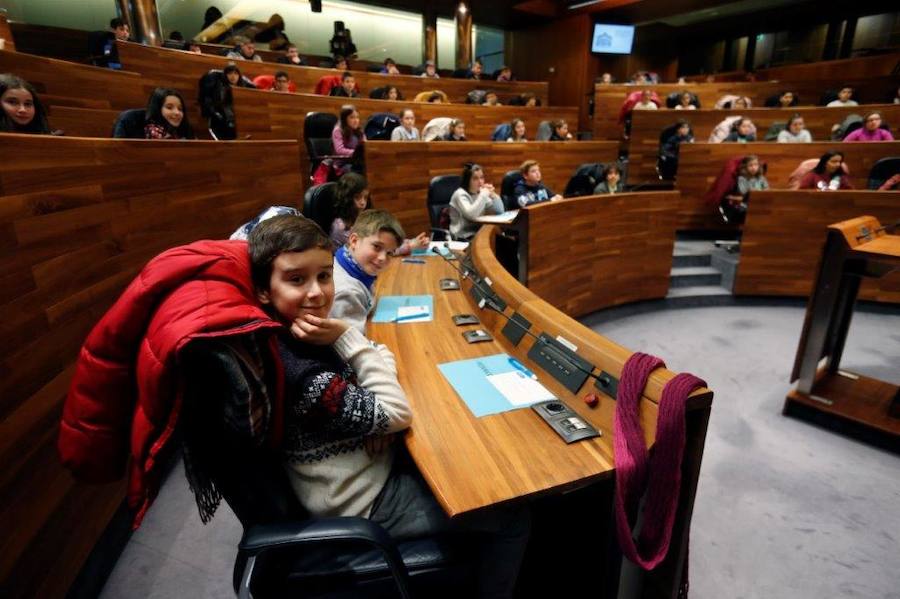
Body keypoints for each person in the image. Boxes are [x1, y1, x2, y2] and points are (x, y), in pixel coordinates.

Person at [329, 173, 427, 254]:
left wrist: (413, 242)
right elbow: (373, 252)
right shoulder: (340, 227)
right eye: (357, 197)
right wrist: (409, 246)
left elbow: (382, 241)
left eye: (365, 197)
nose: (363, 202)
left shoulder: (360, 218)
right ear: (346, 198)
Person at [449, 163, 504, 240]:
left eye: (481, 178)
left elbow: (500, 211)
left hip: (478, 232)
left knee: (507, 242)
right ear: (467, 180)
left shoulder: (480, 193)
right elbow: (471, 215)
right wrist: (484, 194)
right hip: (463, 235)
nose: (480, 182)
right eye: (475, 178)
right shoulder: (460, 194)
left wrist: (493, 195)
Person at [721, 155, 767, 223]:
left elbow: (767, 190)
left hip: (759, 203)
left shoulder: (761, 178)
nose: (753, 167)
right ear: (745, 167)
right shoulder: (742, 179)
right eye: (750, 165)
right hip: (746, 204)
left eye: (756, 165)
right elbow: (746, 195)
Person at [330, 104, 365, 177]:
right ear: (344, 119)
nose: (356, 120)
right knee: (359, 171)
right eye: (352, 117)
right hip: (343, 165)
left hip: (356, 162)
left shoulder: (359, 131)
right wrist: (356, 153)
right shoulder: (338, 130)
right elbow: (339, 150)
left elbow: (366, 146)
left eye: (357, 117)